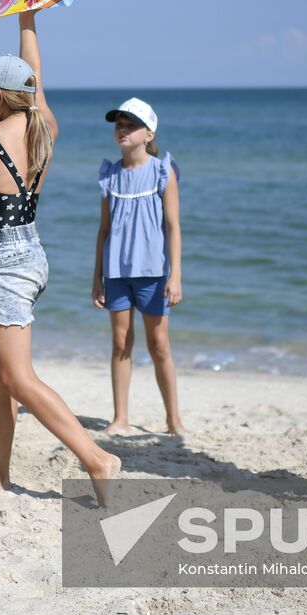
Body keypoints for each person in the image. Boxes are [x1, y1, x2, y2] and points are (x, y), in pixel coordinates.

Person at [0, 11, 120, 505]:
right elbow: (34, 70)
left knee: (17, 376)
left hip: (2, 262)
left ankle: (96, 459)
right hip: (31, 252)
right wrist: (28, 16)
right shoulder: (46, 125)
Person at [92, 98, 186, 436]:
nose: (122, 130)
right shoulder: (110, 175)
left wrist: (175, 275)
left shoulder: (162, 171)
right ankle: (120, 419)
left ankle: (173, 420)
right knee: (120, 343)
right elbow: (103, 230)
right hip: (116, 274)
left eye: (130, 125)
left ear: (148, 134)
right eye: (119, 124)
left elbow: (173, 227)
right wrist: (97, 279)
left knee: (159, 345)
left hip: (153, 274)